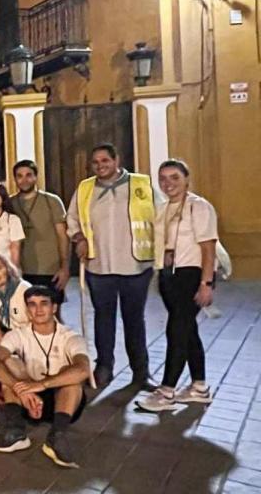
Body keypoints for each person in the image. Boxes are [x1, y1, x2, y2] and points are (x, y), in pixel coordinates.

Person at [66, 143, 155, 389]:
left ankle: (141, 371)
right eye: (95, 162)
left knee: (134, 320)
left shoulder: (141, 185)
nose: (100, 166)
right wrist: (79, 238)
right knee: (104, 320)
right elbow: (72, 218)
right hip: (100, 266)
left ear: (116, 161)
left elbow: (161, 216)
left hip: (136, 266)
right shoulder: (85, 188)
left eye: (105, 160)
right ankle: (104, 366)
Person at [136, 160, 218, 412]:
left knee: (176, 331)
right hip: (169, 276)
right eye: (163, 178)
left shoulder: (199, 206)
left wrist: (206, 283)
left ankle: (167, 391)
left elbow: (208, 247)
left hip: (191, 275)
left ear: (186, 179)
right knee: (186, 329)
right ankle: (199, 387)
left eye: (174, 177)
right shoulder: (162, 208)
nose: (168, 183)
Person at [0, 286, 91, 469]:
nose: (38, 309)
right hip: (29, 400)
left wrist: (42, 384)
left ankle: (56, 436)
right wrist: (22, 389)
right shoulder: (18, 334)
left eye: (44, 304)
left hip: (63, 404)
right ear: (27, 310)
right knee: (9, 364)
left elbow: (83, 369)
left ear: (54, 308)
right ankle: (16, 431)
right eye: (32, 305)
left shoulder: (70, 336)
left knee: (72, 378)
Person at [11, 160, 70, 308]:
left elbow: (63, 237)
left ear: (36, 177)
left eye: (28, 175)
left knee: (53, 314)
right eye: (20, 176)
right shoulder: (9, 203)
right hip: (21, 270)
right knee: (24, 312)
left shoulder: (52, 201)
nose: (24, 180)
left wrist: (65, 267)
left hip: (50, 269)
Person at [0, 251, 33, 345]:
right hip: (11, 338)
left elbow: (39, 324)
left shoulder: (25, 289)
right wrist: (4, 347)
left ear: (8, 269)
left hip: (32, 339)